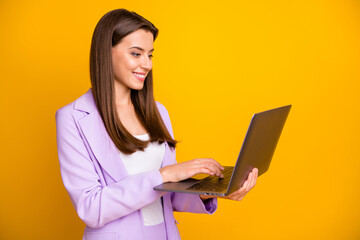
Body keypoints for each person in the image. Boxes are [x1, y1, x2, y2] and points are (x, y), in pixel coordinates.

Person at [55, 8, 258, 240]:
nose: (147, 64)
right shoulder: (73, 117)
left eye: (150, 55)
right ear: (105, 53)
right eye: (136, 54)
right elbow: (91, 208)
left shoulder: (157, 111)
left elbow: (167, 194)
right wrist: (164, 174)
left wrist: (212, 191)